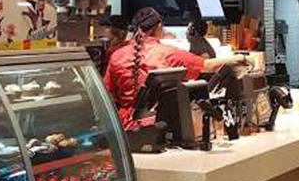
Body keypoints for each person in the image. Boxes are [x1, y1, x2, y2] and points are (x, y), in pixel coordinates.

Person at [103, 7, 245, 130]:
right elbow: (208, 66)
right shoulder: (168, 53)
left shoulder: (116, 55)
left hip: (122, 129)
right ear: (158, 27)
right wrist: (241, 59)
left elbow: (107, 95)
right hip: (158, 125)